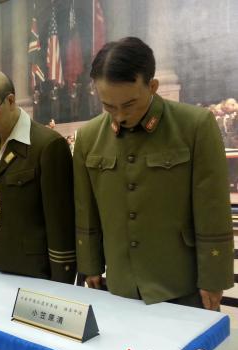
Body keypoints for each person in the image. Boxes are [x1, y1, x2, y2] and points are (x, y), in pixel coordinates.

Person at [73, 37, 234, 309]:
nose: (119, 116)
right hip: (119, 286)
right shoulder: (89, 137)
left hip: (182, 284)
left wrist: (213, 277)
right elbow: (85, 209)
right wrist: (90, 265)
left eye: (129, 104)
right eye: (109, 106)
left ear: (152, 86)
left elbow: (213, 208)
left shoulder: (194, 126)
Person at [0, 69, 76, 283]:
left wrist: (61, 283)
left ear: (10, 101)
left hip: (33, 275)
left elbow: (60, 224)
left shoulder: (47, 145)